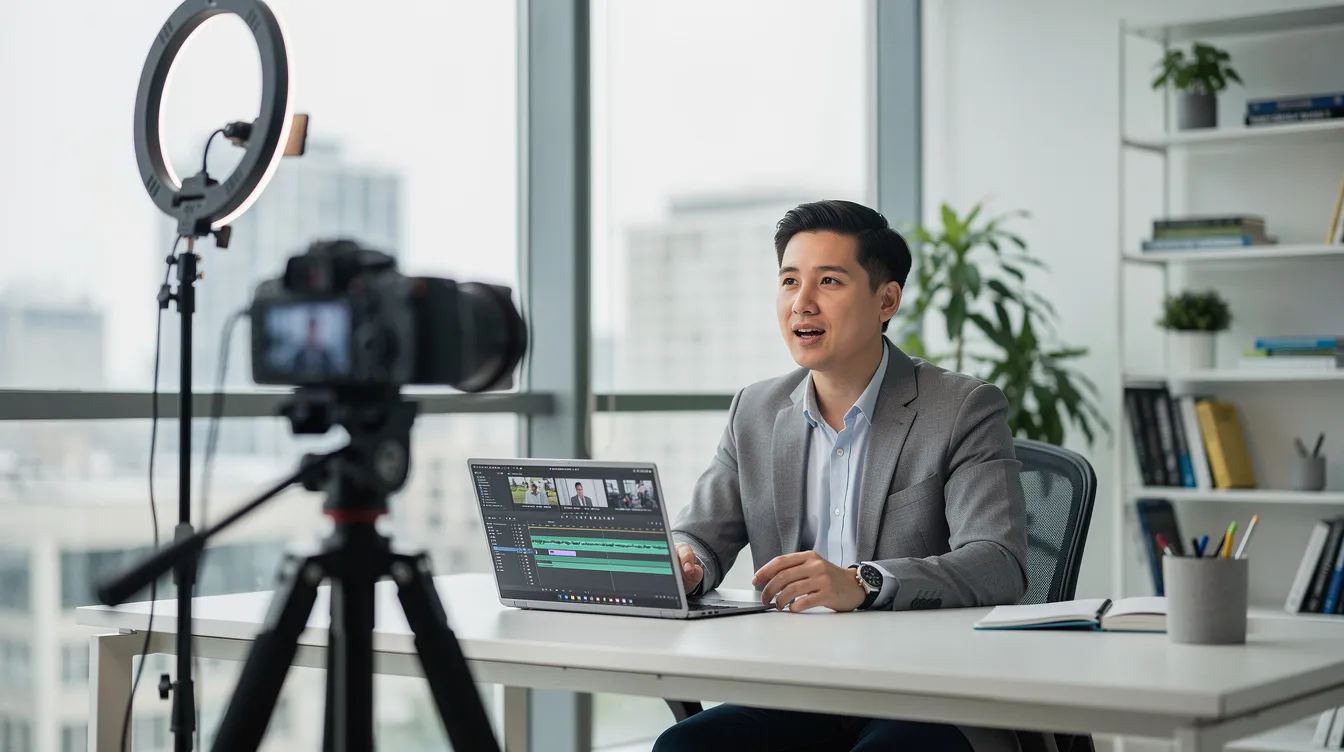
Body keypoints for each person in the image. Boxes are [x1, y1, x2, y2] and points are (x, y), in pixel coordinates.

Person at [657, 200, 1028, 752]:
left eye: (828, 281)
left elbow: (999, 561)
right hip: (797, 689)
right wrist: (687, 561)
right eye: (788, 281)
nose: (801, 303)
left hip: (926, 692)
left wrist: (863, 582)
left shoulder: (962, 407)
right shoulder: (755, 410)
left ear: (886, 300)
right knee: (682, 747)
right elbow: (700, 536)